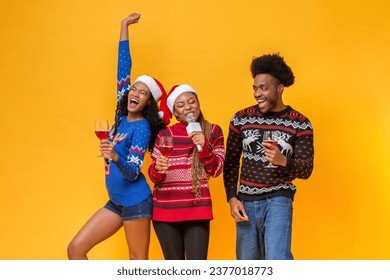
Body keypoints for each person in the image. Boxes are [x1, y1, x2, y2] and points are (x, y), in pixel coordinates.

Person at [67, 13, 168, 260]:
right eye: (134, 88)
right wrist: (123, 27)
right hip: (115, 202)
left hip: (136, 202)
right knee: (75, 249)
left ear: (148, 103)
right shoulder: (120, 114)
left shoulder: (142, 127)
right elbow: (123, 67)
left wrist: (114, 156)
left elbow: (134, 171)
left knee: (137, 263)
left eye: (143, 93)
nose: (135, 93)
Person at [223, 53, 314, 260]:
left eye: (264, 88)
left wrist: (284, 161)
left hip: (278, 200)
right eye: (255, 88)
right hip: (245, 202)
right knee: (247, 265)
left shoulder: (301, 123)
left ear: (279, 88)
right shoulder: (241, 118)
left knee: (277, 260)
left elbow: (307, 168)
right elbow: (231, 163)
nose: (257, 93)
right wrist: (231, 198)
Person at [148, 84, 225, 260]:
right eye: (180, 105)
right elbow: (154, 176)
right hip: (165, 209)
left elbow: (217, 169)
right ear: (175, 113)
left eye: (191, 101)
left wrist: (204, 146)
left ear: (198, 103)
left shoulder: (213, 131)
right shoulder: (164, 134)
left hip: (196, 208)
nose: (188, 107)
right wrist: (157, 168)